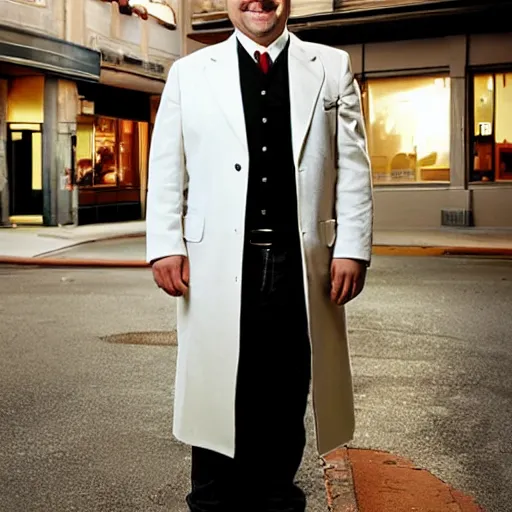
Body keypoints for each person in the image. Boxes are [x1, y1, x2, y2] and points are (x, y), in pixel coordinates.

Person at [145, 0, 373, 510]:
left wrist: (353, 248)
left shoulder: (331, 66)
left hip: (300, 267)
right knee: (218, 396)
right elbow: (166, 167)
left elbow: (353, 167)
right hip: (216, 266)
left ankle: (278, 500)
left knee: (286, 395)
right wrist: (165, 243)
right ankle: (210, 501)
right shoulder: (189, 73)